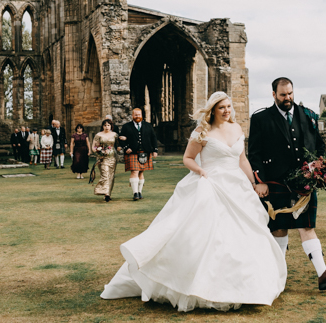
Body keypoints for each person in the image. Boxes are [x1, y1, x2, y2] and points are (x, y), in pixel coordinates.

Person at [101, 92, 286, 311]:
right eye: (222, 108)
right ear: (213, 111)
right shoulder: (202, 132)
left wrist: (254, 182)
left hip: (237, 186)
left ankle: (245, 284)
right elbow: (187, 158)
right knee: (204, 235)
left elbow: (241, 159)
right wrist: (201, 171)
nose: (227, 111)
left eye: (228, 106)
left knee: (243, 233)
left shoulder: (236, 128)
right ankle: (196, 284)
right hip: (211, 183)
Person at [248, 77, 326, 291]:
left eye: (290, 93)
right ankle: (277, 277)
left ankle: (323, 274)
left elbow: (319, 146)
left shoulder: (308, 116)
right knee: (279, 229)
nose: (288, 98)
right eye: (283, 94)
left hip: (304, 184)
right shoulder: (261, 118)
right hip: (275, 183)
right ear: (273, 94)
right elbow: (254, 153)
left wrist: (319, 169)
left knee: (307, 226)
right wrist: (260, 181)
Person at [118, 108, 157, 200]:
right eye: (135, 115)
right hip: (132, 153)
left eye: (139, 114)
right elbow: (120, 139)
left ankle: (140, 192)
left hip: (145, 151)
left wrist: (155, 150)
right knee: (135, 171)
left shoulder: (148, 125)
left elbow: (153, 138)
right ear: (132, 116)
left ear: (141, 115)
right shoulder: (126, 126)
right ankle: (135, 193)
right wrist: (126, 148)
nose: (137, 116)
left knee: (141, 172)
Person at [92, 120, 118, 201]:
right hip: (102, 158)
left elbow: (119, 145)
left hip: (113, 157)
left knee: (111, 175)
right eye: (105, 125)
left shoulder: (115, 135)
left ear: (111, 126)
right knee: (105, 174)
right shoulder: (98, 135)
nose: (107, 127)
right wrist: (99, 152)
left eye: (108, 125)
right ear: (102, 126)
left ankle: (108, 194)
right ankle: (102, 191)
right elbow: (94, 147)